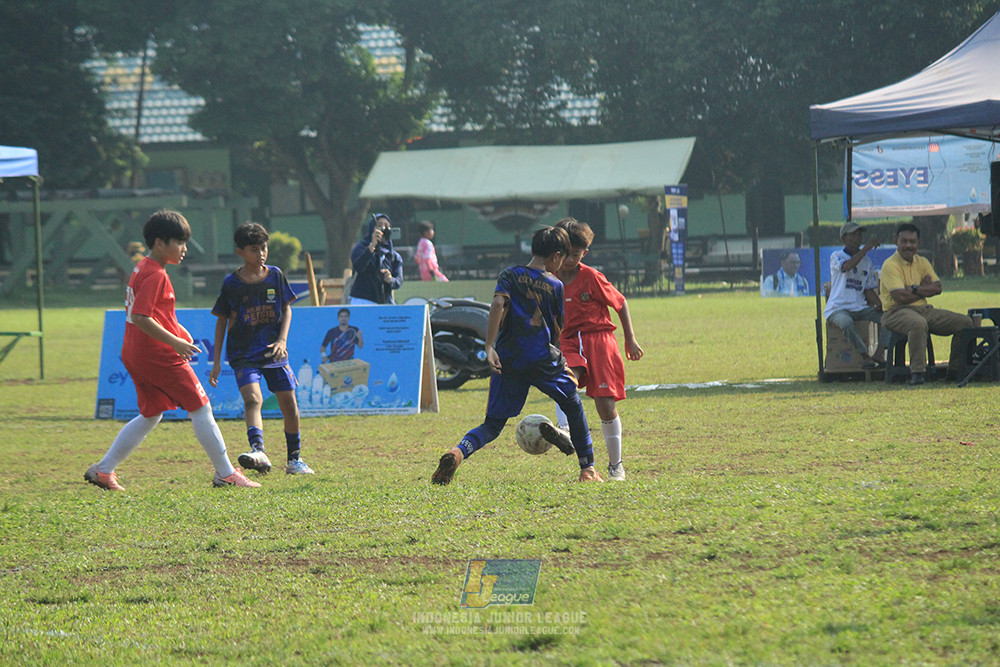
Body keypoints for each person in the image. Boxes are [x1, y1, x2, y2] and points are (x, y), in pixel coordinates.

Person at [85, 210, 260, 490]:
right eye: (179, 242)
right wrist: (175, 342)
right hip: (156, 354)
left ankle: (103, 470)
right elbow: (142, 317)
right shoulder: (156, 275)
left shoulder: (143, 267)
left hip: (135, 351)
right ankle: (226, 474)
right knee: (201, 407)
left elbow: (152, 313)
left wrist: (179, 332)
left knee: (151, 413)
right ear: (159, 243)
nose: (184, 249)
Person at [431, 226, 604, 485]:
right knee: (572, 404)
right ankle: (587, 469)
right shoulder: (555, 284)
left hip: (508, 358)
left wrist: (490, 346)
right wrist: (554, 355)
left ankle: (457, 453)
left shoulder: (510, 274)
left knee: (492, 425)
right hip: (542, 357)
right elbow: (558, 327)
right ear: (556, 256)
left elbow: (499, 304)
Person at [209, 222, 314, 475]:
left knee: (289, 405)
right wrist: (216, 361)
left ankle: (294, 460)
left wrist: (282, 340)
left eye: (263, 248)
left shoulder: (275, 275)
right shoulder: (232, 283)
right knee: (253, 400)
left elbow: (287, 307)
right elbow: (222, 320)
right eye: (254, 249)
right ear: (240, 253)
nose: (261, 253)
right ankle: (259, 451)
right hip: (244, 354)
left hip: (273, 352)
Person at [550, 218, 644, 481]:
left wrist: (630, 339)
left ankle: (616, 466)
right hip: (568, 341)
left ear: (584, 253)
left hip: (599, 340)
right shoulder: (551, 279)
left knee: (605, 404)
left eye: (576, 255)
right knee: (565, 380)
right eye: (565, 254)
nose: (570, 260)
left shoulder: (591, 277)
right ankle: (565, 430)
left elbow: (620, 303)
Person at [879, 222, 974, 385]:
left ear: (918, 243)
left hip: (924, 309)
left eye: (912, 242)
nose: (908, 245)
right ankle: (918, 373)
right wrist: (924, 288)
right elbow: (899, 297)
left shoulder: (922, 262)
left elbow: (938, 288)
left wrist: (915, 288)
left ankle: (955, 371)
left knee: (965, 323)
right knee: (918, 324)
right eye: (904, 241)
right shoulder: (890, 265)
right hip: (895, 312)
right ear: (896, 242)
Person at [824, 221, 889, 369]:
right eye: (854, 234)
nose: (858, 237)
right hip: (837, 308)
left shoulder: (867, 262)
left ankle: (879, 353)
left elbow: (867, 290)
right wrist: (866, 249)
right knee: (846, 323)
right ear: (844, 238)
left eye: (859, 234)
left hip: (859, 307)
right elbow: (847, 266)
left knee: (890, 319)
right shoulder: (837, 256)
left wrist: (879, 304)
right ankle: (865, 356)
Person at [349, 213, 403, 305]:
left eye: (386, 226)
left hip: (385, 302)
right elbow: (358, 266)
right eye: (379, 225)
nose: (383, 228)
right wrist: (372, 247)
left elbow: (399, 280)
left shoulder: (393, 256)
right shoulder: (361, 247)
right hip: (363, 300)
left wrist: (390, 279)